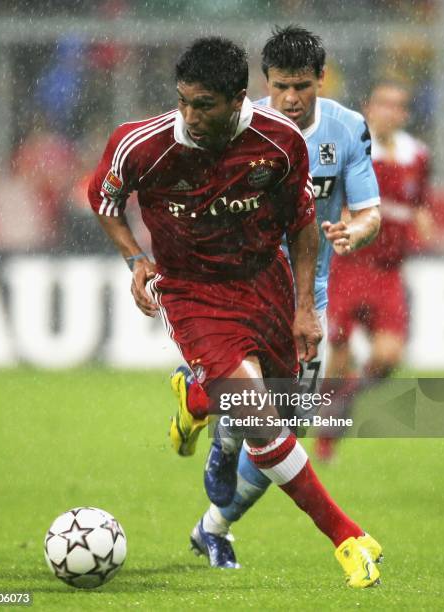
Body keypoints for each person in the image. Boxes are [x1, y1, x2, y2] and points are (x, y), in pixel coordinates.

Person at [89, 36, 381, 587]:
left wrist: (303, 309)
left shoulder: (279, 142)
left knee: (281, 406)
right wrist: (135, 258)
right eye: (184, 101)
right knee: (259, 421)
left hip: (265, 282)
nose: (191, 116)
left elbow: (300, 223)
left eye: (204, 105)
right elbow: (103, 201)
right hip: (194, 293)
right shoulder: (142, 145)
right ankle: (348, 537)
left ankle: (196, 394)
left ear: (238, 100)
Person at [168, 26, 382, 571]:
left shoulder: (348, 128)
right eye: (282, 85)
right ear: (265, 83)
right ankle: (219, 426)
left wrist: (355, 233)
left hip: (307, 296)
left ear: (320, 80)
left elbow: (369, 211)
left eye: (303, 86)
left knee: (286, 427)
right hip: (245, 291)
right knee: (261, 414)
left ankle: (211, 520)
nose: (291, 98)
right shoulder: (236, 126)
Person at [315, 80, 432, 461]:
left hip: (387, 272)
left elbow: (418, 204)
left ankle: (342, 400)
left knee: (388, 356)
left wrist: (423, 221)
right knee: (339, 351)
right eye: (383, 104)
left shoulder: (418, 156)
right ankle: (327, 432)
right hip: (348, 265)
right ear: (369, 108)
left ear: (405, 114)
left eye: (398, 105)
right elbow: (330, 198)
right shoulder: (352, 148)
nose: (390, 112)